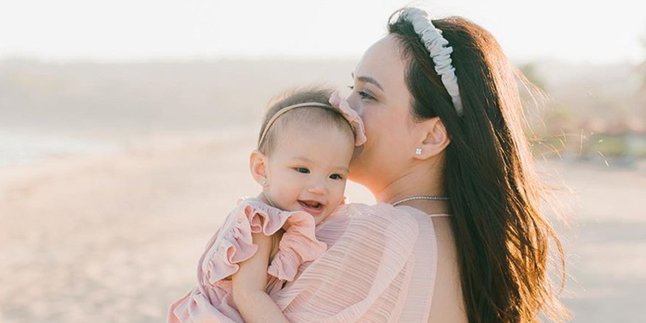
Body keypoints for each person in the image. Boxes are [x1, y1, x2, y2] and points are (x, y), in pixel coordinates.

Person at [240, 6, 567, 323]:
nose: (342, 107)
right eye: (352, 87)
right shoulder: (466, 241)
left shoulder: (382, 235)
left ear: (430, 137)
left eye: (367, 95)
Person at [167, 87, 366, 323]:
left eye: (335, 176)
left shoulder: (296, 221)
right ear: (262, 168)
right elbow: (248, 294)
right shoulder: (259, 223)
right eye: (302, 170)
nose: (319, 187)